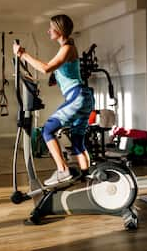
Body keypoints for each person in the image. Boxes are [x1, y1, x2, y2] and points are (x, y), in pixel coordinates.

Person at [13, 14, 94, 186]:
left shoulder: (66, 48)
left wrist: (23, 54)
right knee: (78, 140)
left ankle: (62, 170)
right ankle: (88, 178)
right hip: (84, 97)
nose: (48, 31)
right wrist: (53, 78)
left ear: (59, 29)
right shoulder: (68, 48)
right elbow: (58, 71)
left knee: (48, 130)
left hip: (77, 96)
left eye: (51, 28)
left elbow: (46, 68)